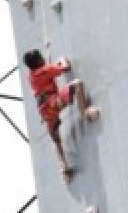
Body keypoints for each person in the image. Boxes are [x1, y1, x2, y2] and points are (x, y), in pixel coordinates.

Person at [22, 49, 100, 180]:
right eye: (41, 58)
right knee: (77, 84)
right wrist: (62, 60)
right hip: (52, 102)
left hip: (43, 110)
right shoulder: (43, 70)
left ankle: (64, 168)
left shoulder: (30, 75)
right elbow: (65, 67)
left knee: (56, 139)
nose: (43, 59)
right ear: (38, 62)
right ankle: (85, 114)